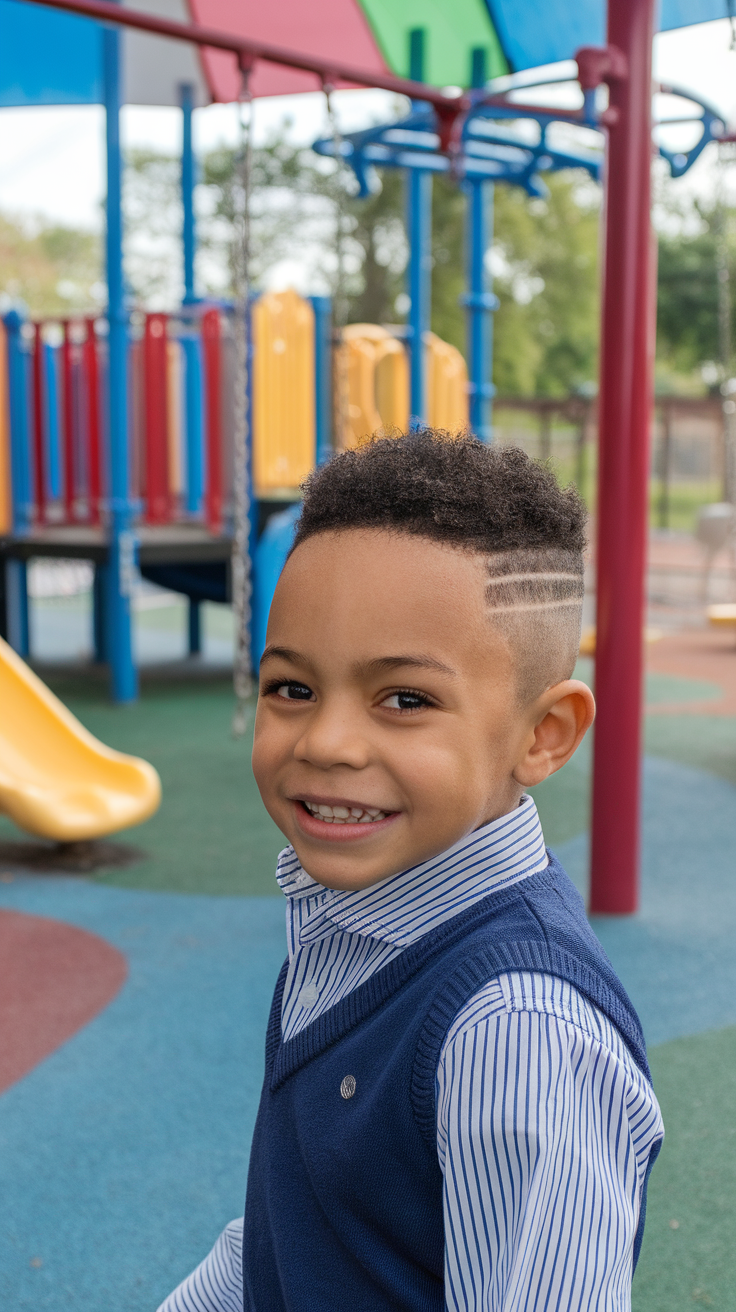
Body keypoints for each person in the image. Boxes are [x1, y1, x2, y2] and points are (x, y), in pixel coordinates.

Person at [159, 432, 663, 1312]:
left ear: (543, 735)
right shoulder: (350, 918)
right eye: (292, 689)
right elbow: (300, 1223)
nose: (325, 742)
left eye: (405, 700)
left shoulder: (515, 1033)